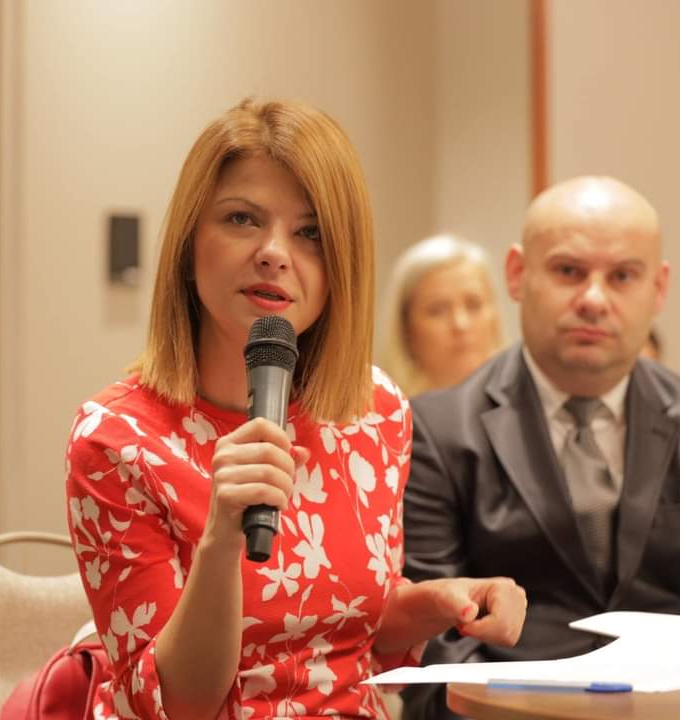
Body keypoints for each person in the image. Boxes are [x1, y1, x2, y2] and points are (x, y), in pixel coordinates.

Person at [64, 98, 527, 720]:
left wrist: (443, 601)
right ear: (189, 244)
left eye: (310, 233)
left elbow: (352, 626)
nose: (274, 253)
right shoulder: (116, 438)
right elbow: (178, 703)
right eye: (242, 219)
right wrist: (220, 542)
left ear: (341, 267)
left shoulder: (374, 409)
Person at [400, 175, 680, 719]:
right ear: (517, 274)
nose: (593, 299)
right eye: (568, 271)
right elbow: (431, 637)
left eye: (623, 276)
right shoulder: (434, 430)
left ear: (659, 288)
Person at [379, 235, 504, 396]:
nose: (460, 324)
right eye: (437, 311)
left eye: (473, 305)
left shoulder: (526, 401)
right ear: (406, 328)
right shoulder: (385, 409)